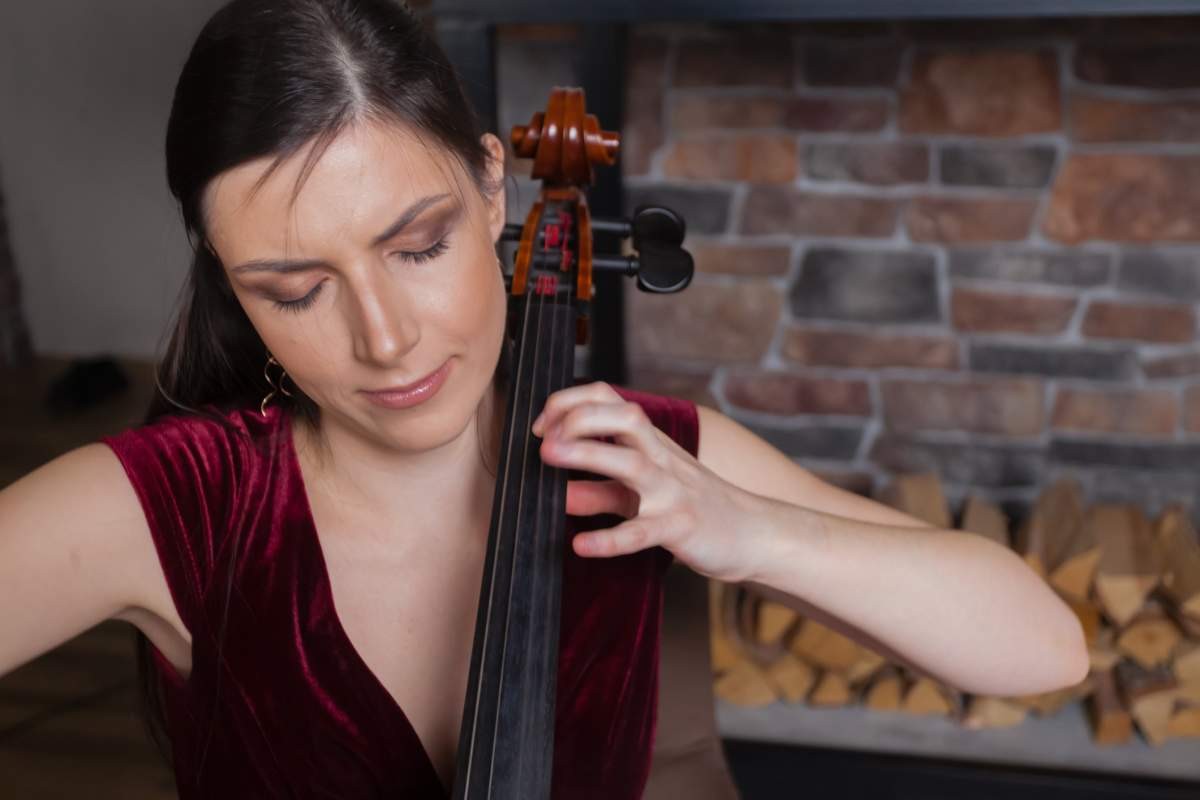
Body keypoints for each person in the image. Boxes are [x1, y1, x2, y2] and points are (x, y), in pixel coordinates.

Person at [0, 0, 1088, 797]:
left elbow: (1046, 648)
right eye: (297, 290)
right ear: (232, 284)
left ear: (492, 184)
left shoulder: (642, 461)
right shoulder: (172, 507)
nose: (385, 338)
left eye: (418, 247)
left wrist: (750, 526)